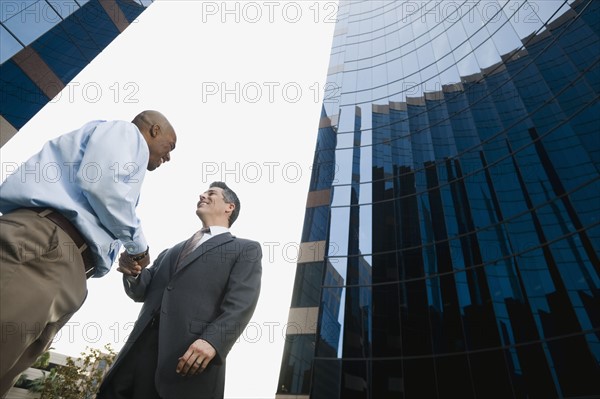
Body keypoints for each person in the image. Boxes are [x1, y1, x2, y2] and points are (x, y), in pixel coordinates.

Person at [0, 111, 177, 396]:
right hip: (46, 247)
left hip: (63, 266)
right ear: (154, 130)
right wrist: (138, 245)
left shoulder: (126, 158)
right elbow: (102, 185)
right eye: (170, 147)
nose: (168, 157)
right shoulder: (126, 134)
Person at [97, 181, 262, 399]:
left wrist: (213, 341)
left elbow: (241, 304)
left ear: (229, 207)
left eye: (211, 193)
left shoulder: (245, 248)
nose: (202, 195)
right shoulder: (171, 251)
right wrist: (133, 272)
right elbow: (141, 291)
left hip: (187, 358)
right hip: (137, 352)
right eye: (203, 192)